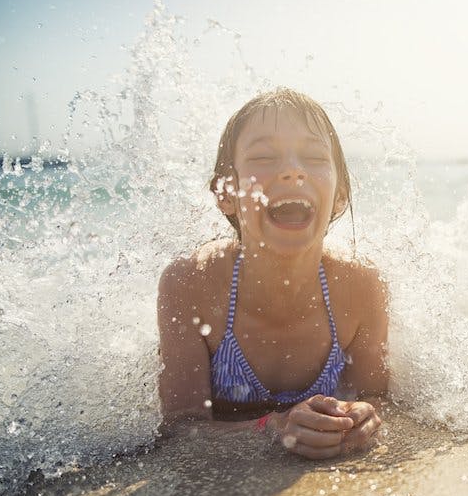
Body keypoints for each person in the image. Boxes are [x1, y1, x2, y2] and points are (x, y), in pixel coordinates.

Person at [157, 88, 388, 459]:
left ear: (340, 194)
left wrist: (365, 419)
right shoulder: (191, 284)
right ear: (225, 192)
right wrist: (272, 427)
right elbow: (181, 430)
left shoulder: (360, 288)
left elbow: (376, 397)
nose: (292, 170)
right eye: (264, 156)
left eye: (313, 156)